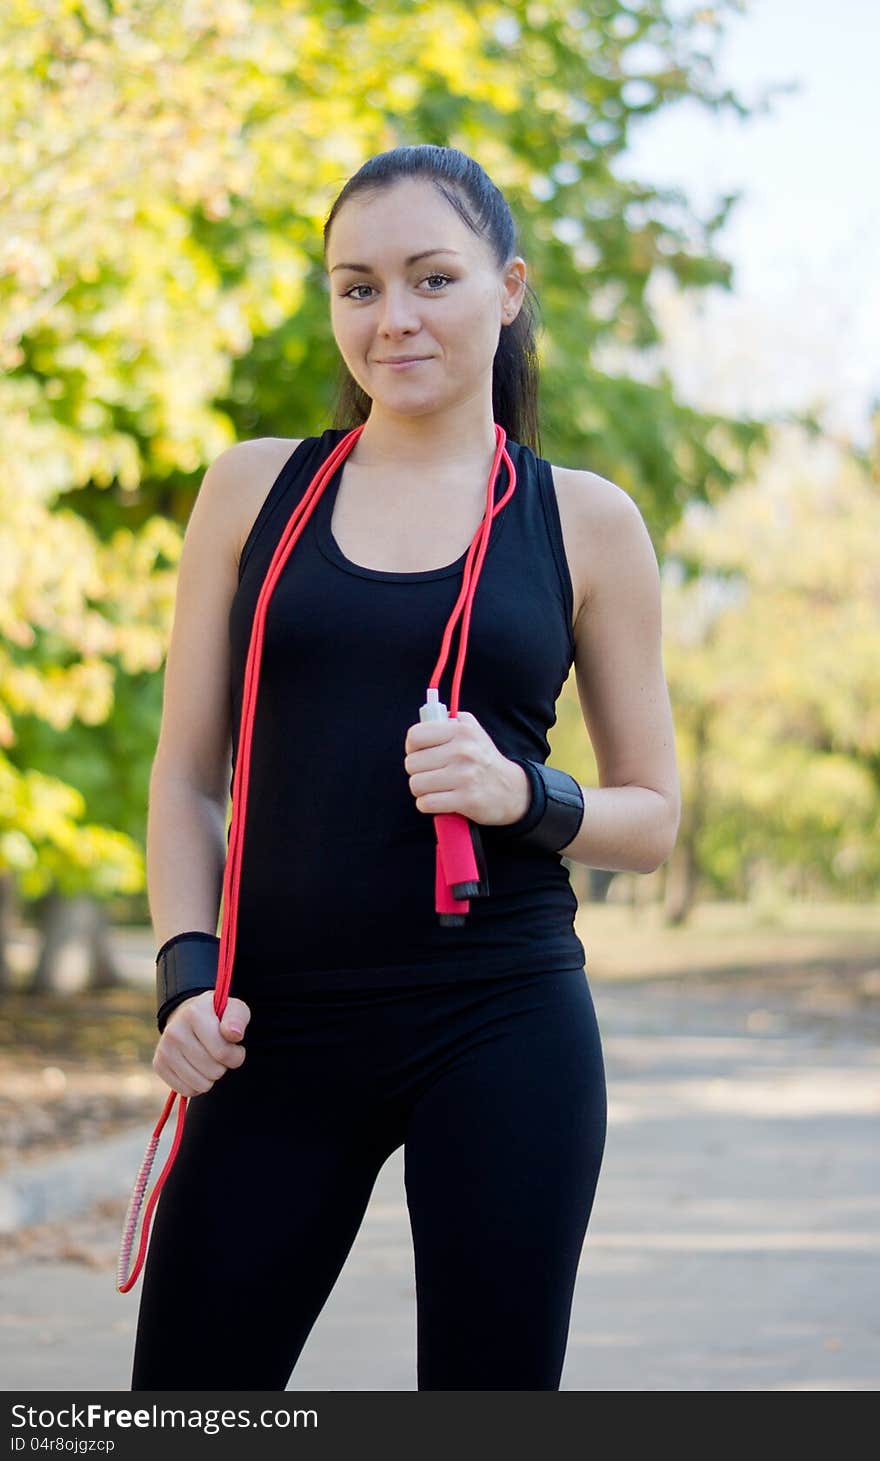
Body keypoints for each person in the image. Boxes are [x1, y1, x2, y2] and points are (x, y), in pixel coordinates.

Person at [129, 143, 680, 1392]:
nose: (393, 319)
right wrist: (183, 979)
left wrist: (521, 795)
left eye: (432, 278)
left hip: (501, 1016)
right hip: (272, 1024)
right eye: (357, 287)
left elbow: (651, 816)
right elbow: (185, 778)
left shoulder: (583, 521)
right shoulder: (251, 490)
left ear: (510, 288)